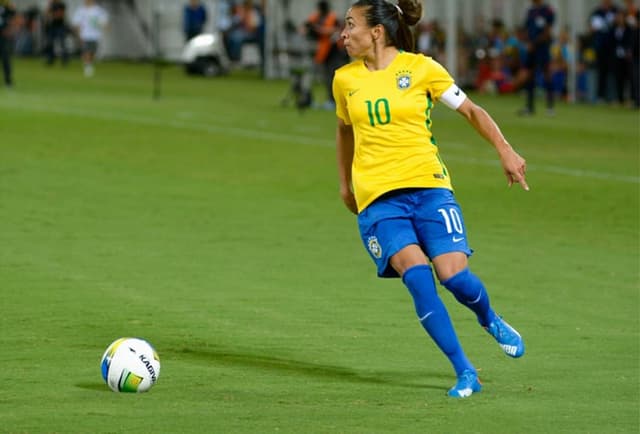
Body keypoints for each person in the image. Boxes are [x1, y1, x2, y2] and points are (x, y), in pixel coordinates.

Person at [333, 0, 527, 398]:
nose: (342, 34)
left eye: (350, 25)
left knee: (454, 277)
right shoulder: (343, 80)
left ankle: (488, 317)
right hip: (380, 200)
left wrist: (505, 149)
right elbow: (344, 130)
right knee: (419, 278)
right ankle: (465, 371)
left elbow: (471, 110)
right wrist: (345, 184)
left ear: (377, 32)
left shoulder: (422, 69)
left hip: (429, 188)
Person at [303, 1, 342, 109]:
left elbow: (335, 30)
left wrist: (319, 30)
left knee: (332, 77)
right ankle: (310, 99)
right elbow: (305, 27)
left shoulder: (333, 18)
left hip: (333, 52)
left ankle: (333, 101)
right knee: (322, 77)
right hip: (319, 51)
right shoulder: (316, 17)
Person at [520, 0, 555, 115]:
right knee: (530, 76)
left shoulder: (548, 11)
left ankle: (550, 107)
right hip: (531, 49)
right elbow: (527, 29)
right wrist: (526, 41)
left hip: (542, 49)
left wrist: (533, 43)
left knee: (547, 75)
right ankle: (530, 107)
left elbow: (548, 31)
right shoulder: (531, 11)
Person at [590, 0, 619, 103]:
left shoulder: (616, 11)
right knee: (601, 72)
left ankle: (615, 97)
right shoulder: (597, 12)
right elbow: (592, 28)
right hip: (600, 47)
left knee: (614, 72)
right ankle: (600, 96)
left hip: (613, 47)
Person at [71, 0, 108, 77]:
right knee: (87, 51)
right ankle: (88, 67)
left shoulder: (98, 10)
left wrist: (105, 27)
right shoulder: (80, 10)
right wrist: (78, 34)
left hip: (95, 35)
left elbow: (104, 21)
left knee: (92, 52)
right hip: (84, 35)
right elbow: (76, 23)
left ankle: (88, 63)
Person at [44, 0, 69, 66]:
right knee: (50, 43)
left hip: (60, 26)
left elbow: (60, 15)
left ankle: (64, 59)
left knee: (62, 43)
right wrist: (49, 7)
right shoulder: (51, 5)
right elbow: (46, 14)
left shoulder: (61, 4)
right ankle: (50, 59)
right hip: (52, 26)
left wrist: (52, 15)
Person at [0, 0, 15, 88]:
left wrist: (9, 28)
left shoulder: (5, 5)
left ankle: (8, 81)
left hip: (3, 35)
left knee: (5, 58)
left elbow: (12, 15)